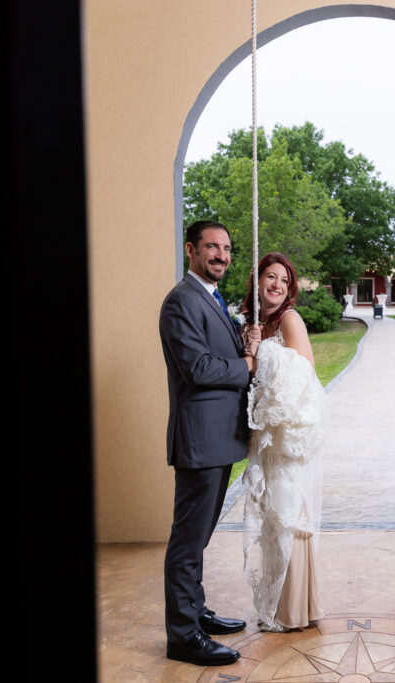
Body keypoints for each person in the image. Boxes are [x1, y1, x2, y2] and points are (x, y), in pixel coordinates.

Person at [158, 220, 262, 666]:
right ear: (191, 250)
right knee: (187, 542)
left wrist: (240, 339)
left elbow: (213, 351)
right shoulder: (181, 301)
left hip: (218, 440)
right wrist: (247, 363)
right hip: (199, 441)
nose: (221, 255)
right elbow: (198, 368)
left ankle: (195, 612)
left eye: (226, 248)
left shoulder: (211, 297)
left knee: (198, 538)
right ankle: (182, 636)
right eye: (212, 247)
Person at [240, 252, 326, 632]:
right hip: (268, 438)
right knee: (274, 516)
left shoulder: (290, 320)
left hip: (288, 435)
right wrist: (251, 348)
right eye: (270, 277)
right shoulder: (257, 323)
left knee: (290, 511)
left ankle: (296, 608)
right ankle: (278, 605)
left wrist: (259, 359)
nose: (276, 284)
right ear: (257, 281)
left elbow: (303, 372)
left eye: (284, 280)